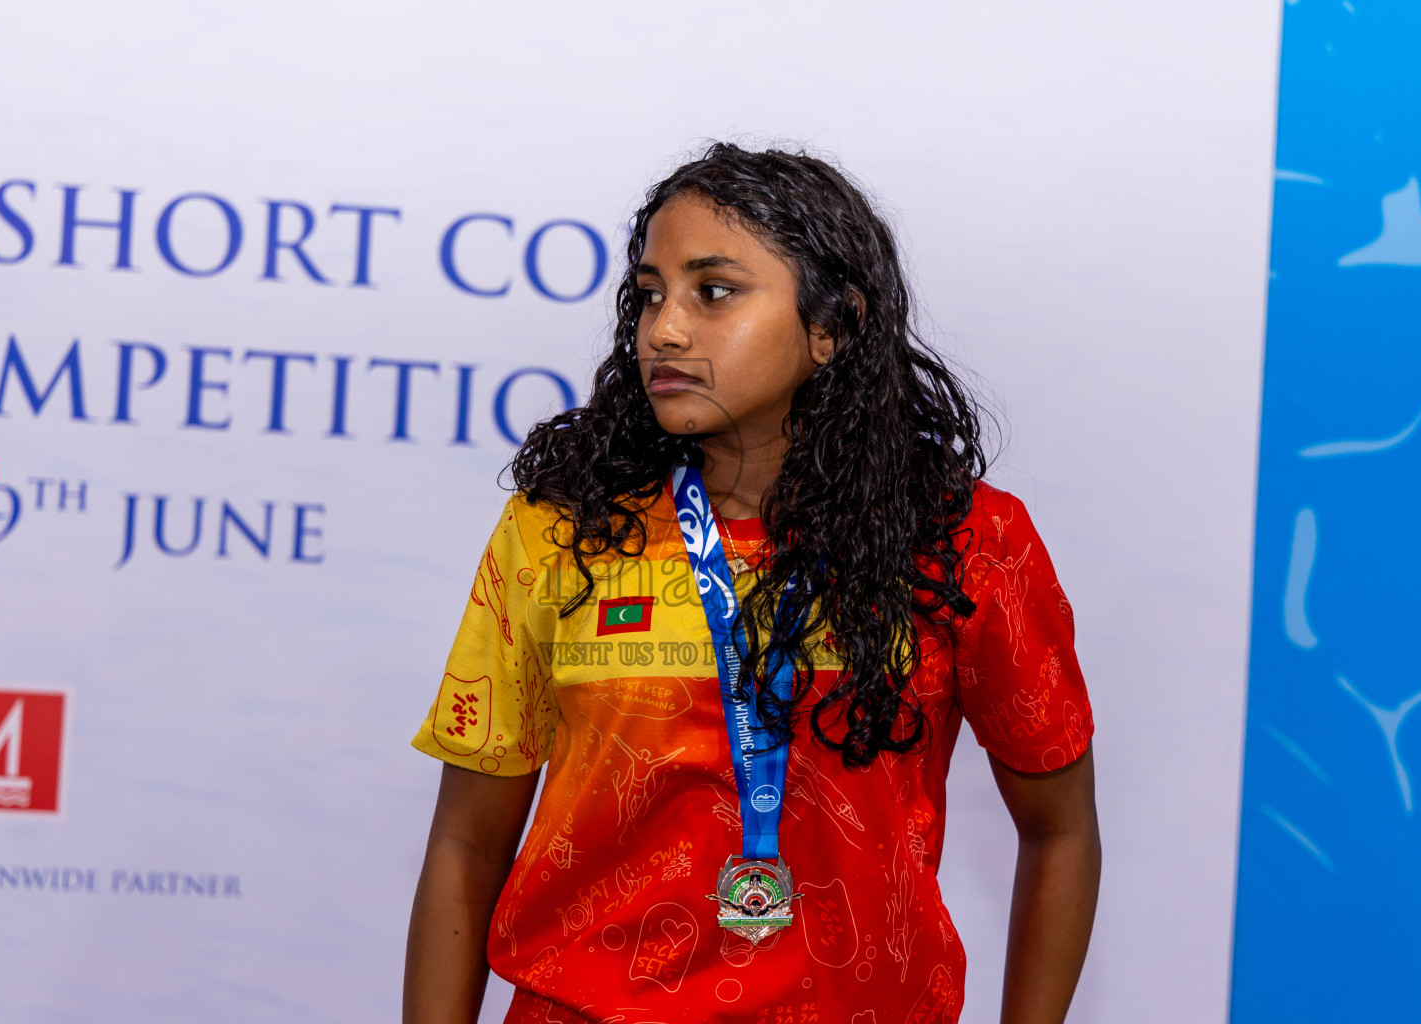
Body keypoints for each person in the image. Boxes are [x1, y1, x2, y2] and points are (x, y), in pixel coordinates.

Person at [404, 143, 1099, 1024]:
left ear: (831, 325)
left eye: (714, 291)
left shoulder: (967, 541)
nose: (664, 328)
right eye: (650, 293)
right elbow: (466, 847)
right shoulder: (559, 533)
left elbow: (1061, 828)